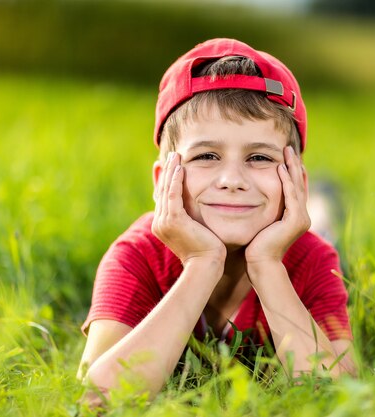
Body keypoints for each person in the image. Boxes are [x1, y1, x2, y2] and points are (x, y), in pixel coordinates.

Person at [77, 38, 356, 401]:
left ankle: (320, 203)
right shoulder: (136, 255)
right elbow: (99, 397)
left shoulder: (312, 258)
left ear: (295, 183)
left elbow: (338, 394)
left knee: (325, 233)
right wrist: (201, 263)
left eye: (259, 158)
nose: (232, 180)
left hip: (306, 240)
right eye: (207, 156)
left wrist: (268, 264)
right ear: (163, 181)